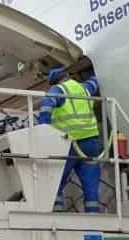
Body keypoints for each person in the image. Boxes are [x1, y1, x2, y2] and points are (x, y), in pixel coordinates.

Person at [38, 66, 102, 213]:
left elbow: (46, 109)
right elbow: (95, 81)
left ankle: (57, 214)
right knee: (91, 185)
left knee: (55, 181)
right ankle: (93, 216)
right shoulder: (84, 88)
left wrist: (43, 130)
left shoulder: (57, 90)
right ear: (67, 75)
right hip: (90, 143)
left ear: (54, 82)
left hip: (68, 144)